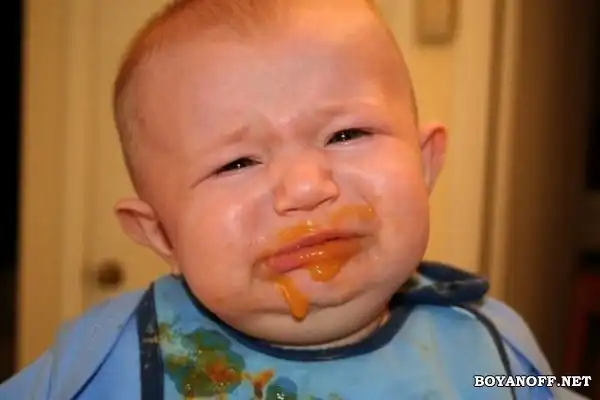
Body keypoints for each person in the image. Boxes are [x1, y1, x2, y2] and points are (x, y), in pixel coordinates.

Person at [0, 0, 586, 398]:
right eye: (237, 163)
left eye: (347, 134)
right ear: (161, 234)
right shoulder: (103, 360)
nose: (307, 187)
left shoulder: (494, 350)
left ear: (425, 163)